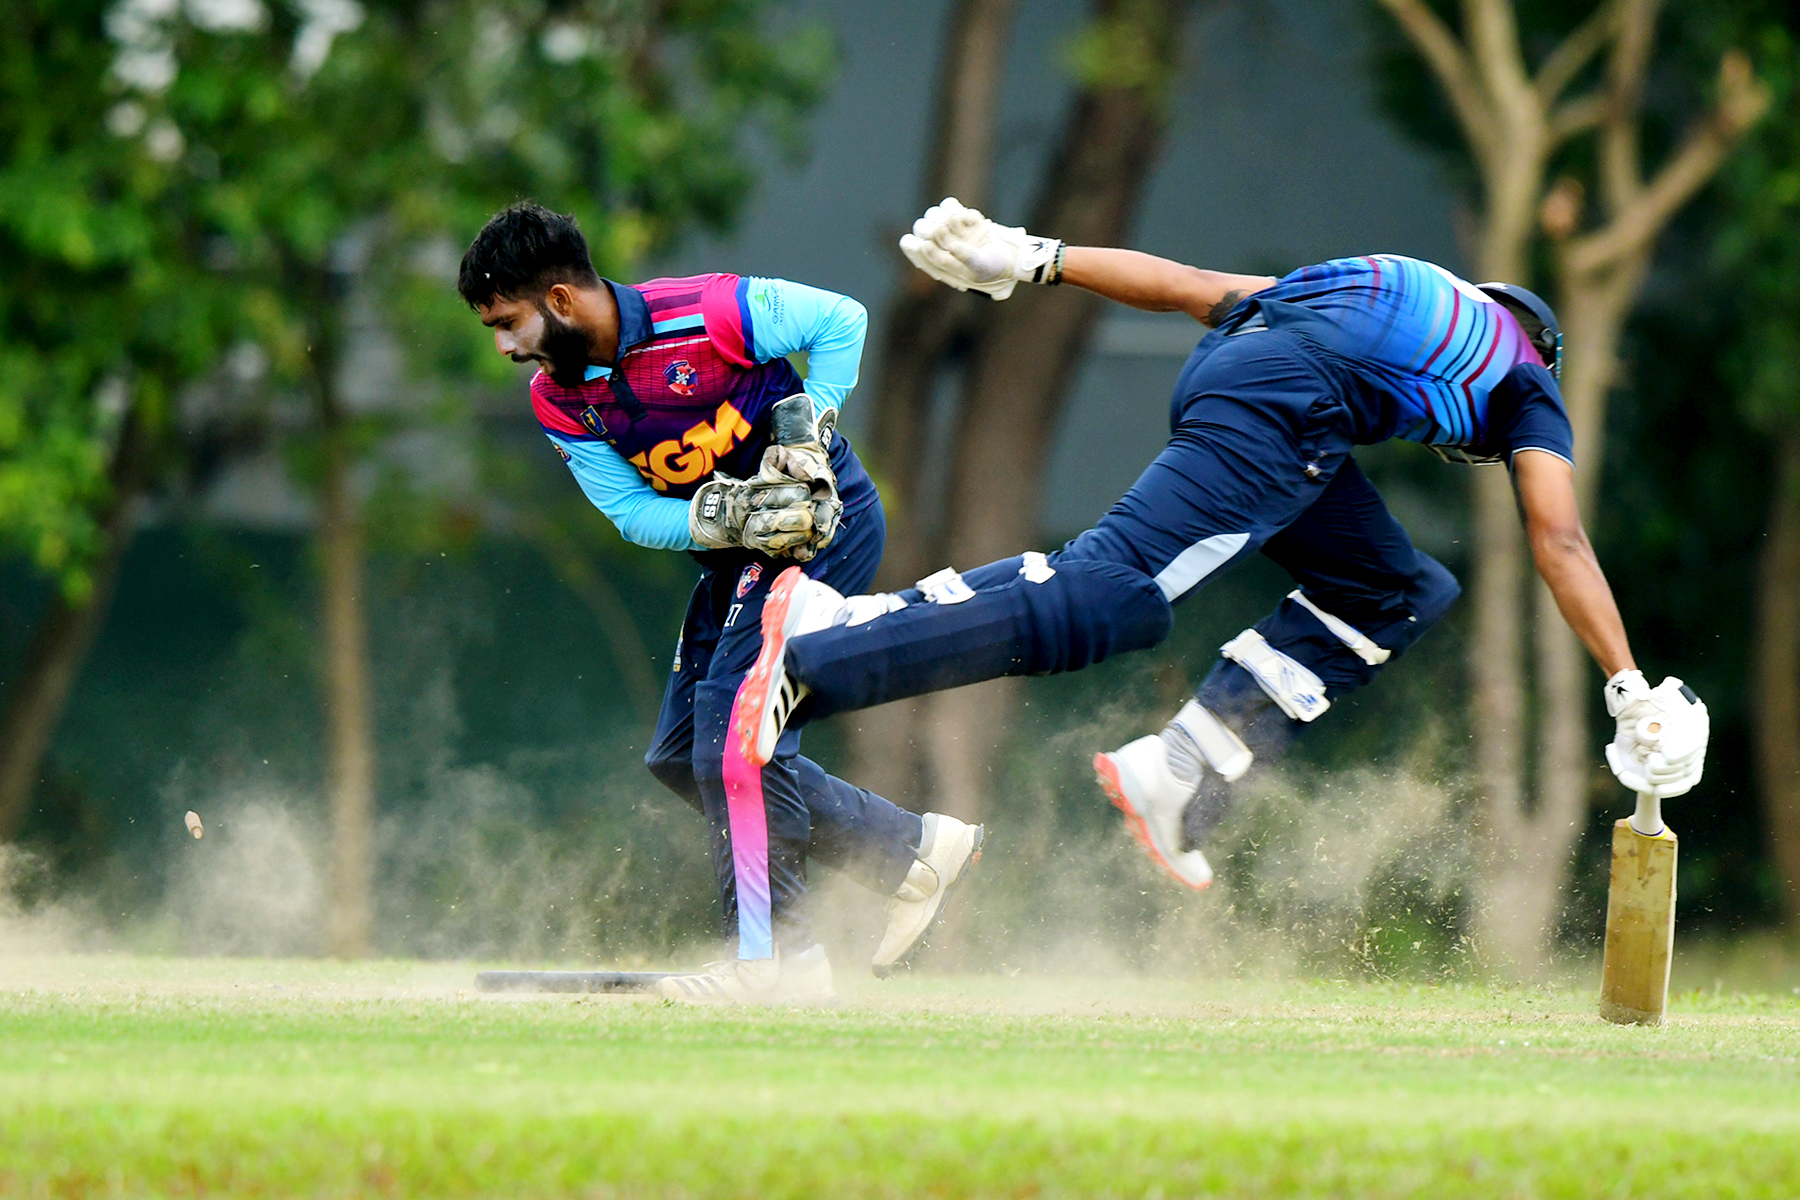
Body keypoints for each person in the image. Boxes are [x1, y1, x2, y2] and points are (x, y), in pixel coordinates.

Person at [727, 198, 1710, 891]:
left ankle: (1182, 766)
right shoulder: (1523, 378)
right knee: (1109, 597)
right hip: (1287, 413)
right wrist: (1629, 685)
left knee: (1397, 589)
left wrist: (1036, 258)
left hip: (1250, 383)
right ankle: (832, 636)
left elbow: (1192, 286)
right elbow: (1560, 536)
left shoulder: (1375, 286)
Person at [456, 203, 984, 1003]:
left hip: (823, 530)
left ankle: (777, 965)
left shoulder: (706, 313)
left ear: (559, 300)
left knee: (734, 747)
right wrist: (721, 514)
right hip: (735, 558)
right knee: (681, 756)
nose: (502, 346)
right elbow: (631, 511)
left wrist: (815, 425)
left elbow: (842, 319)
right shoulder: (559, 400)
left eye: (507, 322)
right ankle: (911, 850)